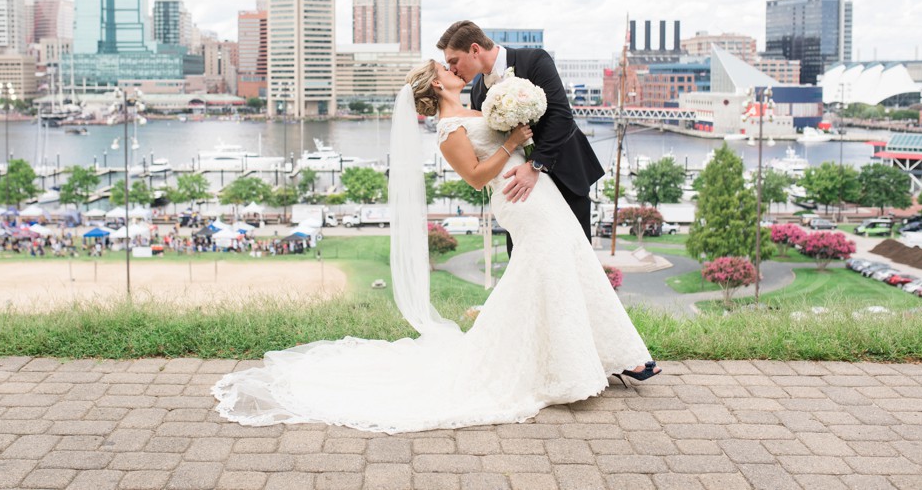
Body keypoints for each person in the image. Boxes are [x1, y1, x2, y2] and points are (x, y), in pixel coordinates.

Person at [212, 60, 659, 434]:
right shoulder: (448, 129)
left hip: (540, 191)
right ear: (435, 85)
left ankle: (616, 356)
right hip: (518, 199)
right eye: (445, 68)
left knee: (571, 260)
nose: (453, 68)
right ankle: (578, 364)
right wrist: (511, 143)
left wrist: (524, 133)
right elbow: (477, 177)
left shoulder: (481, 103)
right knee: (545, 267)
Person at [438, 20, 604, 250]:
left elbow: (561, 116)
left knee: (576, 255)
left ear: (475, 49)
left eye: (453, 61)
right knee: (524, 258)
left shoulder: (535, 60)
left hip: (566, 175)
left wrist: (534, 165)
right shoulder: (478, 93)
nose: (452, 69)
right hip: (520, 194)